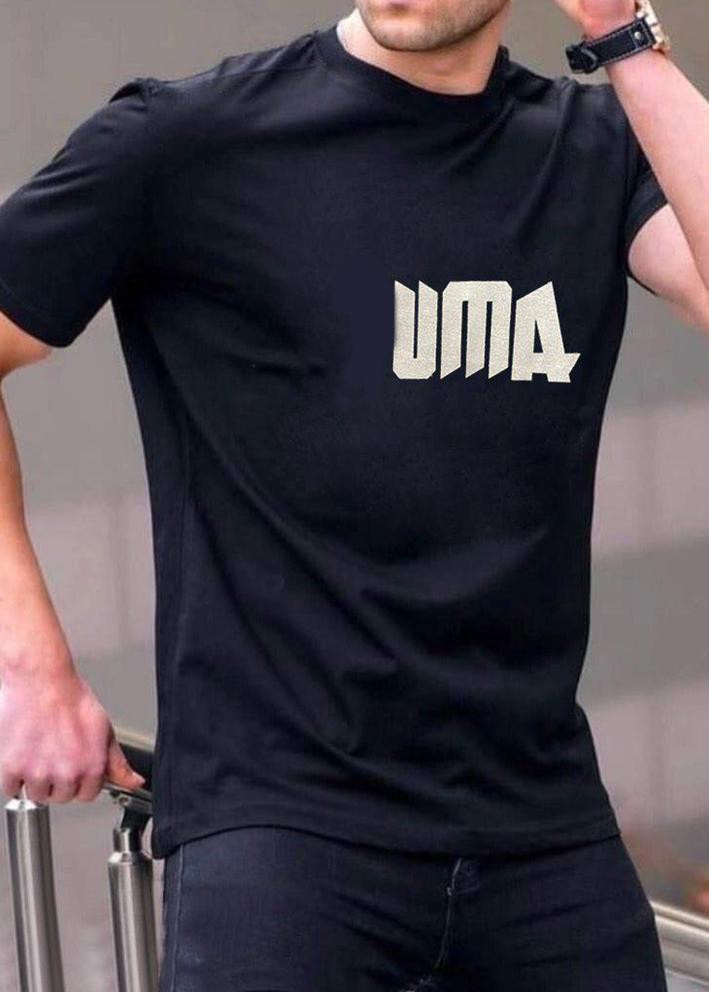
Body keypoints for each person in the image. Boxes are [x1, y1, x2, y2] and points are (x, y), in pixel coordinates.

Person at [0, 0, 706, 988]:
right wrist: (27, 662)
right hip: (285, 832)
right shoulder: (190, 137)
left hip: (540, 828)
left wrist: (621, 32)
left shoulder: (590, 147)